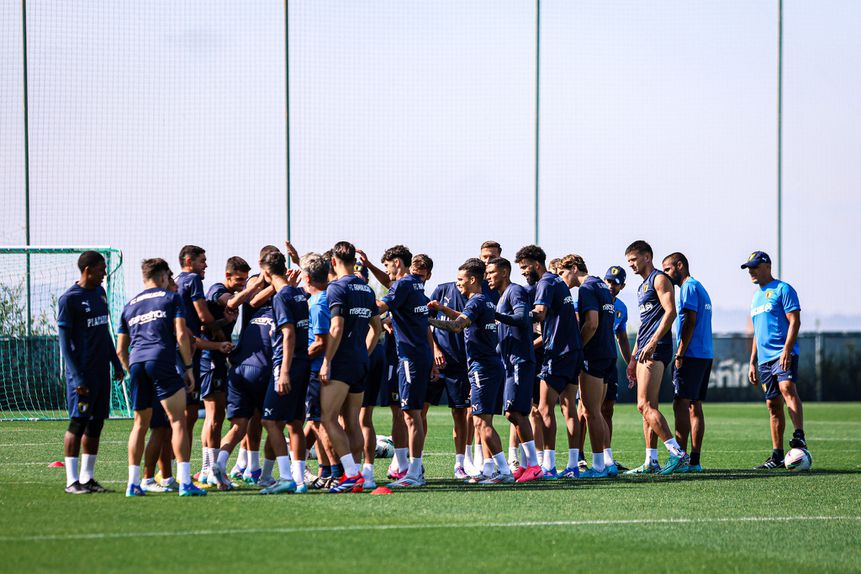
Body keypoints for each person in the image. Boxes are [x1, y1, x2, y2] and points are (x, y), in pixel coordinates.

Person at [117, 258, 205, 496]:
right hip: (161, 360)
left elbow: (120, 350)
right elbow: (181, 335)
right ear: (164, 276)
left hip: (137, 363)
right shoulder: (171, 298)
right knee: (177, 421)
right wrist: (188, 368)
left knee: (139, 425)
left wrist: (131, 371)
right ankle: (185, 483)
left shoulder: (129, 305)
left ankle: (133, 484)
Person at [429, 258, 513, 484]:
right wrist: (441, 309)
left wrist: (427, 321)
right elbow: (462, 317)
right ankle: (489, 470)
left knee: (482, 423)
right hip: (489, 367)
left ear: (473, 280)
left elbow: (457, 326)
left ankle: (504, 471)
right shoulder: (483, 301)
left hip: (482, 369)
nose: (458, 283)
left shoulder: (475, 302)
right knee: (480, 422)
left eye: (461, 279)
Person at [57, 251, 125, 494]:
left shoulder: (100, 293)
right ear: (88, 270)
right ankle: (71, 481)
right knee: (78, 423)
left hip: (101, 373)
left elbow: (103, 332)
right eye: (101, 269)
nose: (104, 273)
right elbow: (64, 344)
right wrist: (77, 377)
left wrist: (115, 363)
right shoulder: (69, 299)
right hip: (82, 375)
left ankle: (87, 479)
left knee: (96, 424)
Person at [515, 245, 582, 479]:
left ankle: (549, 466)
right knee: (569, 409)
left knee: (543, 409)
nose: (523, 272)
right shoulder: (558, 281)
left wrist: (514, 316)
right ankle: (573, 465)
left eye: (525, 267)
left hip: (558, 353)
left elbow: (540, 312)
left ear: (536, 264)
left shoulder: (544, 282)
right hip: (573, 352)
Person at [320, 242, 382, 494]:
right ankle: (356, 475)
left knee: (327, 417)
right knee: (352, 421)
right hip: (360, 361)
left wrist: (326, 360)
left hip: (342, 361)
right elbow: (377, 328)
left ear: (333, 261)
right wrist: (364, 353)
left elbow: (336, 327)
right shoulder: (366, 288)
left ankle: (351, 474)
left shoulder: (336, 287)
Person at [624, 240, 688, 475]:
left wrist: (652, 343)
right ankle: (651, 460)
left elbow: (670, 312)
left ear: (647, 257)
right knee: (647, 408)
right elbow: (644, 325)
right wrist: (633, 358)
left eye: (633, 259)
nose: (631, 265)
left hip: (656, 348)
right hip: (644, 349)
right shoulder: (642, 287)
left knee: (644, 405)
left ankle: (677, 453)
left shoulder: (659, 279)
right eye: (628, 261)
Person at [374, 245, 435, 488]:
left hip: (410, 357)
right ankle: (411, 469)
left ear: (397, 262)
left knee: (410, 414)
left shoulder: (403, 284)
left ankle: (414, 472)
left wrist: (353, 302)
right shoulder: (415, 284)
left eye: (387, 265)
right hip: (417, 356)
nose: (387, 270)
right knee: (411, 413)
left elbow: (380, 306)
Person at [741, 251, 807, 469]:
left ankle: (799, 435)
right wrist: (752, 361)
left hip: (783, 353)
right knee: (772, 404)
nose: (751, 271)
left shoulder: (783, 289)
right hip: (764, 360)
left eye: (755, 267)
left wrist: (787, 349)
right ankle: (777, 455)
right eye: (749, 268)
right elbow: (757, 333)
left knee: (787, 387)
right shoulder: (756, 297)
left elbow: (795, 321)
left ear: (767, 267)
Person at [556, 254, 617, 478]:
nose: (561, 278)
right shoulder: (601, 285)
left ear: (574, 268)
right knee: (597, 412)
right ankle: (607, 462)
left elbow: (591, 324)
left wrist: (577, 348)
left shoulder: (586, 288)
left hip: (594, 354)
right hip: (608, 352)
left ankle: (599, 467)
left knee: (591, 412)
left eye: (562, 273)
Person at [485, 257, 543, 482]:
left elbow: (521, 318)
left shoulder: (515, 291)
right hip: (510, 362)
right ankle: (527, 465)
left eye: (491, 272)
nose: (488, 277)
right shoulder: (502, 297)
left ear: (504, 272)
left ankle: (534, 465)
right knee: (514, 413)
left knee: (515, 412)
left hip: (520, 360)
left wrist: (495, 315)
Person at [197, 257, 249, 486]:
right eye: (239, 280)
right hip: (209, 359)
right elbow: (226, 305)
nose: (242, 284)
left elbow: (212, 325)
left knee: (216, 416)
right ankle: (209, 469)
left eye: (245, 280)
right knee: (214, 416)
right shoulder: (218, 290)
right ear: (228, 276)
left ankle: (207, 469)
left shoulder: (229, 296)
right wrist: (254, 287)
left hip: (217, 359)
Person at [175, 245, 223, 477]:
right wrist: (220, 330)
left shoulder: (176, 281)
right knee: (188, 416)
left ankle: (175, 471)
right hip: (189, 352)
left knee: (185, 416)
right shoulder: (192, 279)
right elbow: (203, 315)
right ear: (189, 261)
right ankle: (181, 472)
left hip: (181, 350)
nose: (206, 265)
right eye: (202, 260)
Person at [662, 252, 713, 473]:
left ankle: (681, 458)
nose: (665, 274)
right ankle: (694, 461)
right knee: (694, 406)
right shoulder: (699, 287)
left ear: (680, 265)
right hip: (704, 353)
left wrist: (680, 353)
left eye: (668, 269)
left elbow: (690, 321)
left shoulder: (688, 288)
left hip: (691, 354)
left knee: (680, 404)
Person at [603, 266, 632, 471]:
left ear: (622, 286)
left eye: (615, 283)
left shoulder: (621, 308)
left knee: (607, 409)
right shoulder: (593, 299)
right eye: (609, 281)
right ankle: (579, 458)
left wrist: (630, 364)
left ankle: (607, 457)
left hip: (610, 362)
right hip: (591, 361)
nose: (611, 285)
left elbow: (621, 336)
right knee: (584, 410)